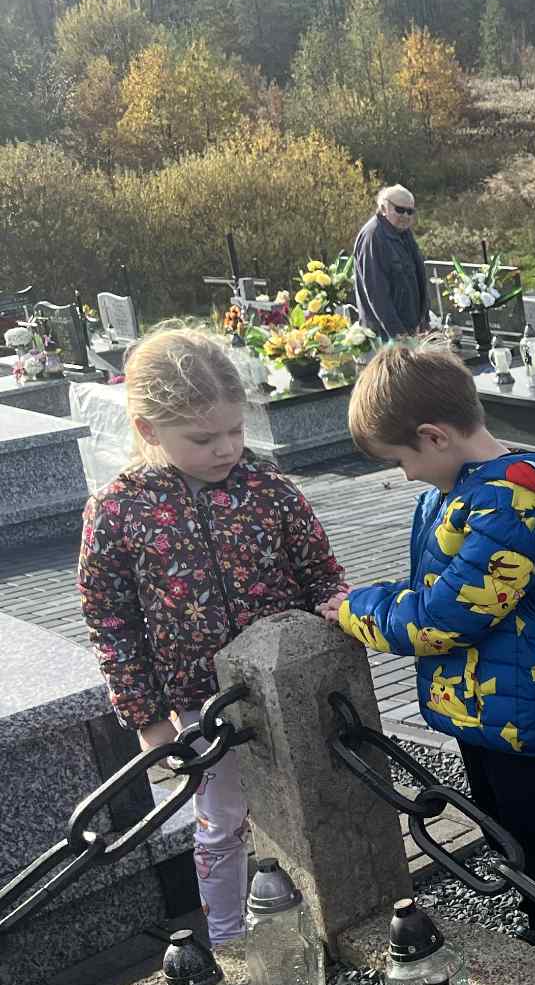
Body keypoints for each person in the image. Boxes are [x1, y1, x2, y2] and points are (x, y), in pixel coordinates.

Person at [322, 342, 535, 979]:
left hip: (517, 703)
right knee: (505, 826)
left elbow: (443, 617)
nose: (405, 476)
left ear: (434, 436)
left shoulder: (507, 505)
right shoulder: (470, 490)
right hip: (485, 700)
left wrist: (354, 610)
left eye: (401, 460)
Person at [77, 327, 346, 944]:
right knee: (221, 823)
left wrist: (336, 621)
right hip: (203, 702)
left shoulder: (270, 491)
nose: (226, 448)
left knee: (309, 806)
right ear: (148, 430)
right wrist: (148, 717)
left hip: (286, 686)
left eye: (234, 430)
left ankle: (326, 919)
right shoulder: (117, 511)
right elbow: (111, 620)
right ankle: (227, 939)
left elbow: (319, 574)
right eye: (202, 439)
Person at [351, 185, 431, 340]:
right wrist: (397, 333)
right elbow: (376, 292)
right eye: (400, 210)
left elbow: (418, 279)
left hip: (410, 331)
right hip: (387, 336)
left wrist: (424, 320)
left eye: (410, 211)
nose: (405, 216)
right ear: (383, 208)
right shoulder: (373, 236)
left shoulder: (404, 233)